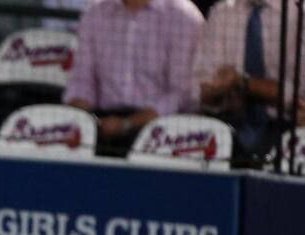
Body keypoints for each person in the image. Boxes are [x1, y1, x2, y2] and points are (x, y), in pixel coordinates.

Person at [62, 0, 204, 151]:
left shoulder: (183, 16)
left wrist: (128, 123)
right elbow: (81, 80)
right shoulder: (95, 11)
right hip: (102, 122)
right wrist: (83, 118)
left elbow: (182, 93)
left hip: (162, 131)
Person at [193, 0, 304, 160]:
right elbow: (198, 89)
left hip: (285, 128)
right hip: (228, 125)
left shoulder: (299, 15)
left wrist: (244, 83)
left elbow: (299, 95)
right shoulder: (222, 13)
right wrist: (216, 91)